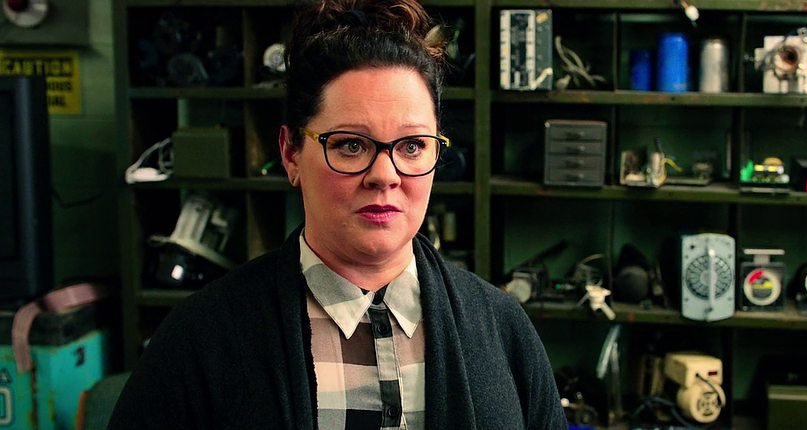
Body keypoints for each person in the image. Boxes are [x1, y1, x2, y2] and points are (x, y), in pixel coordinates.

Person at [108, 1, 566, 428]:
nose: (385, 175)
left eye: (411, 146)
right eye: (350, 145)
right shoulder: (201, 340)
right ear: (291, 153)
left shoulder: (502, 329)